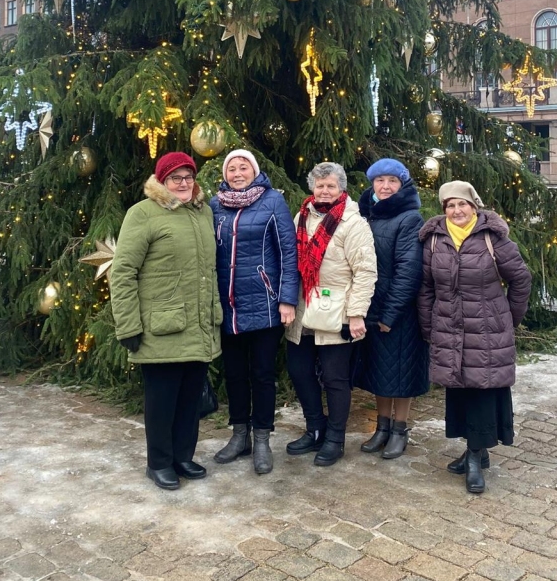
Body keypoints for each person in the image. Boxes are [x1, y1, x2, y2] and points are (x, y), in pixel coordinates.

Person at [111, 151, 221, 492]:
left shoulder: (203, 213)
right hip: (161, 327)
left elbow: (208, 271)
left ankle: (183, 457)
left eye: (189, 177)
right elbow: (123, 272)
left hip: (199, 324)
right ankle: (158, 463)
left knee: (189, 398)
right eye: (176, 178)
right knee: (162, 401)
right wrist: (128, 325)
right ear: (162, 181)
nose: (184, 183)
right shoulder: (143, 213)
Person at [418, 180, 532, 494]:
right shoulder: (434, 240)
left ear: (474, 206)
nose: (457, 210)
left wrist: (508, 318)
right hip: (449, 328)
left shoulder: (492, 237)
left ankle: (474, 457)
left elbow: (521, 279)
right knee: (460, 390)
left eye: (462, 204)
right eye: (450, 205)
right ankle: (476, 451)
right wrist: (428, 326)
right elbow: (426, 287)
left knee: (482, 390)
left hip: (486, 330)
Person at [210, 149, 299, 475]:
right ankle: (239, 436)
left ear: (254, 171)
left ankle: (262, 438)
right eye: (231, 168)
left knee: (262, 375)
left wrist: (287, 299)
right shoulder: (215, 205)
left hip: (264, 304)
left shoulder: (272, 201)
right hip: (228, 306)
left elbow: (288, 252)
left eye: (243, 167)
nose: (237, 173)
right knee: (234, 375)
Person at [285, 162, 377, 467]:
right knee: (299, 371)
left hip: (337, 311)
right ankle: (315, 428)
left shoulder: (353, 222)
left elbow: (365, 271)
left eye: (330, 186)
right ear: (312, 187)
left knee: (335, 378)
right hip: (303, 308)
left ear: (341, 188)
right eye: (320, 185)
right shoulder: (302, 216)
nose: (324, 191)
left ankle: (335, 438)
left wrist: (356, 314)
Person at [355, 158, 428, 459]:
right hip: (371, 307)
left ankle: (400, 429)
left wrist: (390, 314)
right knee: (379, 371)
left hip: (399, 311)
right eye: (380, 180)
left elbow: (408, 271)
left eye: (392, 181)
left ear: (402, 184)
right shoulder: (366, 215)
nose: (385, 186)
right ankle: (381, 427)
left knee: (401, 373)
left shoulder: (410, 219)